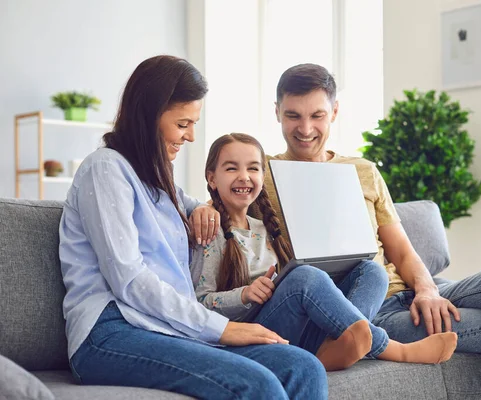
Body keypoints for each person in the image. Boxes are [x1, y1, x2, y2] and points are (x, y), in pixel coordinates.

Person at [196, 63, 481, 400]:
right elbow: (226, 200)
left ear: (335, 113)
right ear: (277, 113)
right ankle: (348, 338)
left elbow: (403, 251)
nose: (306, 128)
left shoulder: (364, 170)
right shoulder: (264, 173)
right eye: (293, 115)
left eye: (317, 115)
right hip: (358, 311)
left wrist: (427, 290)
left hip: (402, 292)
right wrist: (201, 207)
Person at [58, 55, 329, 400]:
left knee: (303, 367)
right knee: (257, 385)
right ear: (149, 115)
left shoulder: (158, 177)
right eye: (183, 123)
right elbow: (129, 280)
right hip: (111, 331)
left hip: (167, 328)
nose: (190, 136)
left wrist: (203, 207)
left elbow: (188, 202)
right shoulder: (106, 170)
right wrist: (222, 328)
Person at [189, 132, 457, 371]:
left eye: (253, 168)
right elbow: (199, 305)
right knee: (304, 276)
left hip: (294, 327)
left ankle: (332, 347)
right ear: (212, 178)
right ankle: (395, 350)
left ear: (263, 176)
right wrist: (245, 295)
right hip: (252, 334)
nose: (244, 176)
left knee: (372, 271)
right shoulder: (209, 233)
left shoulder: (264, 228)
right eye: (231, 168)